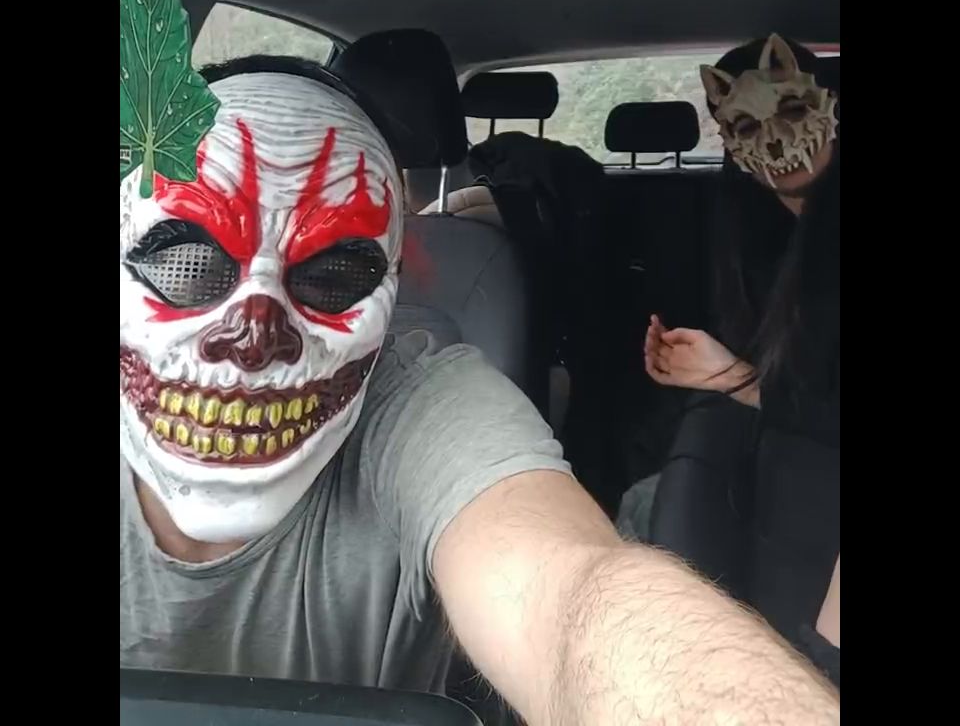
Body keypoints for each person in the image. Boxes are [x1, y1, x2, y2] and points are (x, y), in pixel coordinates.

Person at [120, 55, 839, 724]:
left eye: (333, 273)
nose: (253, 338)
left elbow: (570, 597)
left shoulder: (420, 403)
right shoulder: (732, 225)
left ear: (395, 289)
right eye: (185, 261)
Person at [642, 34, 839, 680]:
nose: (777, 143)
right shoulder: (753, 231)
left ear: (829, 105)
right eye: (749, 126)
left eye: (792, 111)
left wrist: (734, 379)